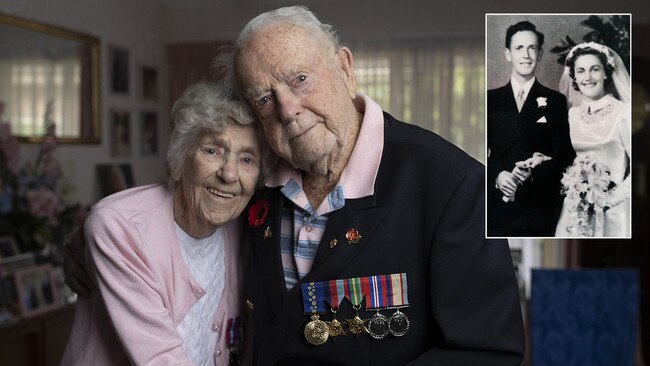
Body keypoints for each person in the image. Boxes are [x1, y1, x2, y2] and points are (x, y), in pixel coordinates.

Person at [65, 6, 525, 365]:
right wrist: (87, 239)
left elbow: (488, 349)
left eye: (300, 79)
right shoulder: (253, 182)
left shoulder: (452, 184)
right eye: (265, 98)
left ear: (345, 68)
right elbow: (184, 203)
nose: (287, 109)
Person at [62, 82, 262, 365]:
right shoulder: (121, 226)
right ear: (180, 158)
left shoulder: (245, 230)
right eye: (212, 151)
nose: (229, 174)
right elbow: (160, 358)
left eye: (246, 159)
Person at [487, 20, 576, 237]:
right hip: (496, 207)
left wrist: (534, 173)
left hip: (539, 207)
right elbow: (477, 152)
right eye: (519, 48)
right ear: (508, 54)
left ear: (540, 54)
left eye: (532, 48)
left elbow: (564, 156)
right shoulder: (490, 99)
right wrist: (497, 176)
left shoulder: (555, 101)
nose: (526, 55)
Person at [555, 42, 631, 237]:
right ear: (574, 77)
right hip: (574, 207)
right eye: (580, 71)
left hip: (613, 207)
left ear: (606, 73)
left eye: (594, 69)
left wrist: (607, 200)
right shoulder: (571, 115)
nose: (587, 77)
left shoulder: (623, 113)